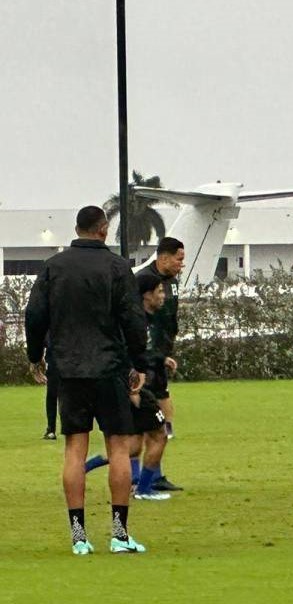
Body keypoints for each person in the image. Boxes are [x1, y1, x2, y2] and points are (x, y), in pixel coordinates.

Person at [25, 205, 150, 555]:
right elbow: (133, 318)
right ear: (103, 229)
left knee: (74, 451)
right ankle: (119, 534)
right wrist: (138, 362)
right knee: (118, 448)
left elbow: (34, 314)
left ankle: (79, 536)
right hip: (109, 367)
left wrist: (36, 356)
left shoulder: (54, 266)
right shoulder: (117, 267)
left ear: (77, 229)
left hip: (69, 369)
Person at [84, 271, 173, 501]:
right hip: (134, 387)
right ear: (147, 295)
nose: (163, 295)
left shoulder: (134, 316)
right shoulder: (135, 320)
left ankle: (85, 467)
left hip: (126, 384)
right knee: (160, 435)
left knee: (132, 446)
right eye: (160, 291)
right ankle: (143, 490)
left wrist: (160, 359)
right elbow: (129, 353)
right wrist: (132, 388)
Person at [137, 237, 185, 492]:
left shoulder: (173, 283)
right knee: (147, 424)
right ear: (163, 258)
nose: (182, 264)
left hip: (160, 357)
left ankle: (152, 474)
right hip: (145, 360)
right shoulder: (143, 280)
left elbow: (170, 319)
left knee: (159, 419)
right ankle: (144, 478)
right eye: (179, 258)